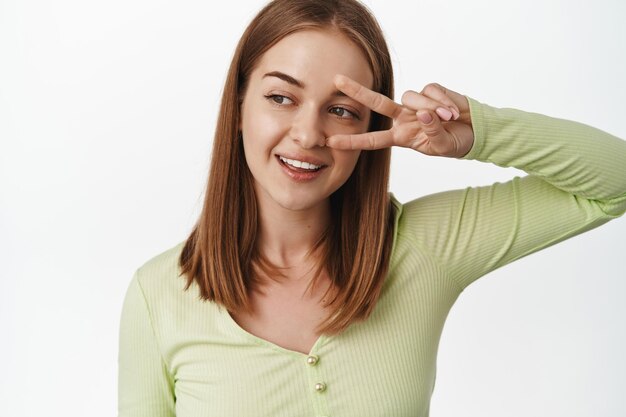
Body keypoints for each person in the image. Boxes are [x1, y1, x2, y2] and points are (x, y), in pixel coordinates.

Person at [117, 0, 626, 416]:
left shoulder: (424, 247)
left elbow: (616, 182)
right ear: (238, 107)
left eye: (342, 110)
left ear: (370, 129)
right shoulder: (158, 294)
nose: (309, 134)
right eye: (281, 98)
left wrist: (476, 133)